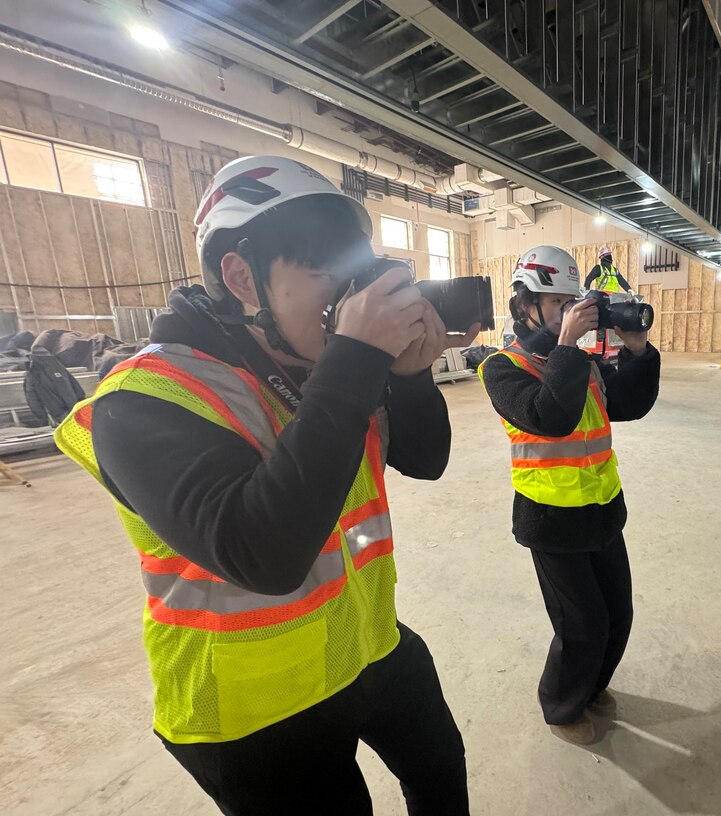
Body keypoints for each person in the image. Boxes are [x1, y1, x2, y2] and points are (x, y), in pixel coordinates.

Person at [53, 156, 476, 814]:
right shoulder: (143, 399)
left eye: (356, 272)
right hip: (252, 707)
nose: (350, 294)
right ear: (241, 277)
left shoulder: (321, 365)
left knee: (440, 764)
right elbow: (263, 553)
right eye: (322, 271)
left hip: (361, 640)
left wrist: (411, 376)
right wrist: (358, 358)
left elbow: (426, 460)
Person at [478, 245, 659, 745]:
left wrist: (638, 350)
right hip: (552, 520)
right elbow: (551, 418)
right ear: (525, 305)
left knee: (617, 616)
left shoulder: (580, 360)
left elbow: (630, 405)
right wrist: (566, 346)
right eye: (558, 302)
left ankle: (591, 686)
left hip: (602, 510)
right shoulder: (502, 366)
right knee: (582, 625)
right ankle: (561, 706)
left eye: (571, 301)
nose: (571, 312)